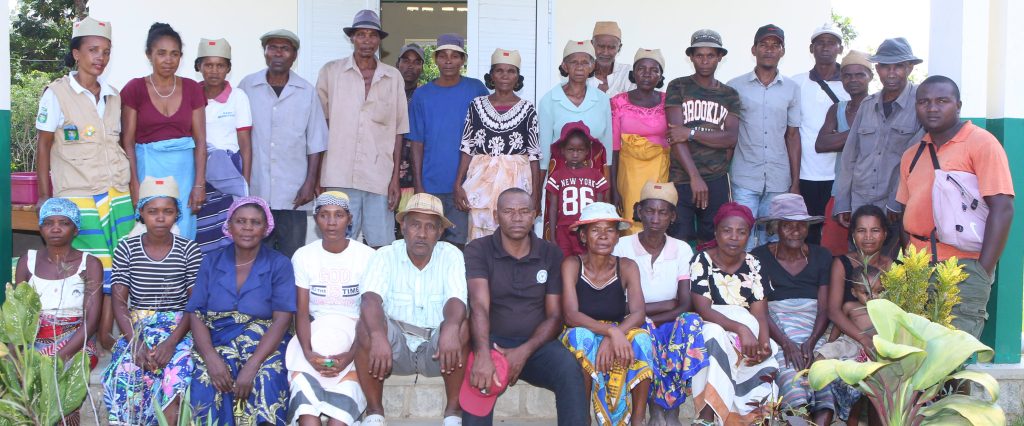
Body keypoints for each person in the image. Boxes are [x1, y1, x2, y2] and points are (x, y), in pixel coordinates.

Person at [34, 16, 133, 350]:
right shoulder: (57, 94)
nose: (100, 57)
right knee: (91, 267)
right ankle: (85, 334)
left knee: (117, 265)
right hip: (79, 193)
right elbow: (44, 145)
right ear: (76, 53)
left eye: (106, 51)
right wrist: (45, 197)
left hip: (116, 193)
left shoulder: (113, 95)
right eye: (93, 50)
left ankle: (105, 332)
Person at [891, 76, 1015, 338]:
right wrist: (912, 262)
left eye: (942, 101)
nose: (932, 108)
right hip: (919, 268)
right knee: (920, 350)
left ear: (958, 105)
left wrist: (982, 270)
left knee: (953, 351)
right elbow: (904, 213)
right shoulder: (912, 154)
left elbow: (1003, 208)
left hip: (963, 268)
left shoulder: (981, 143)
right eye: (924, 102)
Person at [461, 188, 587, 425]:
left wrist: (524, 351)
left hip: (536, 346)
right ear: (496, 216)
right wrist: (482, 354)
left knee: (569, 370)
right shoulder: (478, 249)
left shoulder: (550, 253)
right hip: (491, 343)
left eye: (524, 211)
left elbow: (555, 316)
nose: (517, 218)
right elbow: (479, 306)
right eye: (508, 211)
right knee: (478, 382)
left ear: (534, 215)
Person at [355, 193, 469, 426]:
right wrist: (377, 335)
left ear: (440, 232)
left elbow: (456, 300)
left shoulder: (451, 255)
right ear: (403, 227)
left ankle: (453, 412)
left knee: (462, 326)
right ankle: (374, 412)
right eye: (415, 225)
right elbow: (370, 299)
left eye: (430, 227)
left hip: (437, 352)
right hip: (394, 351)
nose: (422, 233)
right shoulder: (385, 255)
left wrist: (451, 328)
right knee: (366, 326)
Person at [186, 196, 296, 425]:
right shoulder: (211, 262)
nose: (247, 228)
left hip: (264, 344)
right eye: (241, 221)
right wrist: (210, 358)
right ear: (229, 225)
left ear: (266, 228)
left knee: (269, 376)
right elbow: (195, 313)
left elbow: (282, 320)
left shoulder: (279, 264)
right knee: (205, 379)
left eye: (255, 222)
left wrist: (253, 365)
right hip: (216, 340)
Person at [102, 177, 201, 425]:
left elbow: (194, 303)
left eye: (168, 211)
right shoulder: (126, 248)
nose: (160, 218)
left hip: (178, 329)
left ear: (177, 214)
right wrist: (135, 344)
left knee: (176, 378)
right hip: (137, 329)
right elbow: (119, 302)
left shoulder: (189, 249)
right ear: (141, 214)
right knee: (124, 375)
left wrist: (171, 343)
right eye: (152, 211)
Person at [612, 182, 707, 425]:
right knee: (645, 333)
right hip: (634, 321)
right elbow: (618, 305)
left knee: (691, 323)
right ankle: (656, 406)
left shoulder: (681, 249)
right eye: (650, 211)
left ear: (672, 216)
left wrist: (646, 313)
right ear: (639, 211)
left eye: (663, 212)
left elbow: (685, 304)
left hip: (669, 320)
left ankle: (672, 408)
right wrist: (664, 306)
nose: (655, 218)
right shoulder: (621, 247)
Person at [317, 10, 408, 249]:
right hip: (338, 174)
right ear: (352, 38)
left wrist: (395, 180)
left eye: (372, 35)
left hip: (378, 176)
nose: (367, 40)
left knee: (381, 245)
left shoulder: (393, 77)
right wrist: (317, 175)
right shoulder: (331, 72)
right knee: (338, 244)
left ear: (379, 40)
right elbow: (318, 127)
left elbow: (399, 131)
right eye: (361, 34)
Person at [560, 202, 654, 425]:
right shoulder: (572, 264)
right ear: (583, 236)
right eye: (595, 230)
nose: (603, 236)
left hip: (617, 330)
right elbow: (571, 315)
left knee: (641, 338)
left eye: (610, 230)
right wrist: (610, 332)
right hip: (582, 329)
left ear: (617, 236)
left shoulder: (627, 266)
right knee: (581, 337)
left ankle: (638, 420)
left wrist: (615, 334)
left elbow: (638, 313)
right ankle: (582, 418)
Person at [286, 191, 376, 425]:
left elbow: (370, 315)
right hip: (314, 341)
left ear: (349, 218)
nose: (332, 222)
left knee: (338, 420)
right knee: (308, 417)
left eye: (339, 215)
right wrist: (308, 354)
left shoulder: (367, 256)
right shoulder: (304, 256)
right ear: (316, 219)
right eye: (324, 215)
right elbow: (301, 313)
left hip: (356, 343)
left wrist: (350, 356)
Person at [239, 29, 327, 258]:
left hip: (293, 194)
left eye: (285, 48)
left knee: (292, 256)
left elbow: (316, 142)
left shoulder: (306, 91)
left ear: (294, 55)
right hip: (256, 189)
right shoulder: (247, 87)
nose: (278, 53)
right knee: (256, 256)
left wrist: (310, 183)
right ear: (264, 52)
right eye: (272, 48)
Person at [832, 37, 924, 258]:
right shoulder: (867, 105)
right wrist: (842, 202)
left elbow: (914, 160)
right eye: (885, 66)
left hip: (895, 206)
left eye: (898, 66)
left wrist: (896, 201)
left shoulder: (920, 104)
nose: (891, 73)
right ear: (878, 69)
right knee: (859, 266)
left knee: (889, 267)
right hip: (860, 201)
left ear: (909, 68)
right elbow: (849, 158)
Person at [15, 198, 103, 426]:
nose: (55, 228)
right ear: (40, 228)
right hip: (34, 339)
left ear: (76, 229)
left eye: (64, 223)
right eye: (48, 223)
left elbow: (91, 321)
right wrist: (18, 355)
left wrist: (61, 355)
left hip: (76, 342)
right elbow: (19, 315)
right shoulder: (27, 262)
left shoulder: (90, 264)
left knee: (62, 384)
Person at [689, 202, 779, 425]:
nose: (734, 237)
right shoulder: (702, 260)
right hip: (713, 326)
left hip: (746, 335)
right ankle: (707, 415)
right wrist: (741, 329)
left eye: (741, 232)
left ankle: (751, 417)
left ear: (749, 235)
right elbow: (703, 309)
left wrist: (763, 343)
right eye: (727, 230)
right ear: (716, 232)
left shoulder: (754, 263)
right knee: (714, 335)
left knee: (764, 361)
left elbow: (760, 313)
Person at [750, 194, 835, 425]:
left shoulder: (822, 256)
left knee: (823, 380)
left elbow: (824, 309)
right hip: (777, 330)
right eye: (787, 225)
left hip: (813, 328)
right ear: (775, 228)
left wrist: (811, 343)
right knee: (792, 378)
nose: (795, 231)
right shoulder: (758, 257)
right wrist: (787, 344)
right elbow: (760, 310)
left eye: (801, 225)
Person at [121, 22, 208, 240]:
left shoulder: (192, 89)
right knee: (147, 229)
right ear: (149, 55)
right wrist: (134, 183)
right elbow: (127, 141)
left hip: (184, 173)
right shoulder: (135, 89)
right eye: (161, 53)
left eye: (174, 54)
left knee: (182, 230)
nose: (168, 60)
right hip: (147, 169)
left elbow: (201, 141)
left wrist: (199, 184)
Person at [409, 33, 489, 247]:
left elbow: (487, 134)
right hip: (430, 184)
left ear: (463, 60)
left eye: (454, 56)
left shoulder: (476, 89)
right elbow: (416, 143)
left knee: (460, 245)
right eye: (443, 55)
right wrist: (418, 184)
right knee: (428, 244)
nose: (448, 61)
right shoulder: (422, 95)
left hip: (467, 185)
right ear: (435, 59)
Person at [727, 24, 802, 250]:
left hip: (779, 179)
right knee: (742, 237)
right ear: (754, 49)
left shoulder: (792, 88)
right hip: (745, 178)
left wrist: (795, 182)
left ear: (782, 51)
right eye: (764, 44)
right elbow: (729, 134)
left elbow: (792, 136)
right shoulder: (735, 87)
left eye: (775, 45)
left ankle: (769, 275)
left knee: (775, 240)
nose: (769, 49)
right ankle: (745, 274)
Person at [454, 48, 542, 240]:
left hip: (516, 179)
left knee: (515, 228)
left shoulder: (528, 109)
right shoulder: (476, 105)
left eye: (511, 71)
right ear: (492, 75)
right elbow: (467, 147)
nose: (505, 76)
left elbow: (534, 156)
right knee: (480, 231)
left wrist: (536, 195)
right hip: (481, 179)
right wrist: (458, 184)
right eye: (499, 70)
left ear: (518, 77)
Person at [665, 29, 741, 247]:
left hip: (717, 178)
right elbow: (675, 136)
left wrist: (690, 133)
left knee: (713, 240)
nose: (705, 61)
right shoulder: (678, 86)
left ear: (720, 57)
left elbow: (730, 138)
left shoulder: (730, 94)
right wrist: (695, 177)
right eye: (699, 55)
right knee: (679, 241)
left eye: (710, 55)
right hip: (682, 177)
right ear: (691, 57)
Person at [791, 24, 850, 245]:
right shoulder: (796, 83)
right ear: (811, 48)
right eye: (820, 42)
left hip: (838, 176)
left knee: (838, 236)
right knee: (806, 234)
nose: (826, 47)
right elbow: (791, 131)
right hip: (805, 174)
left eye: (832, 43)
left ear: (840, 48)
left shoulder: (851, 84)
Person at [194, 37, 252, 254]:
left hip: (228, 175)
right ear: (199, 66)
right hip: (199, 173)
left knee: (226, 231)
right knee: (201, 230)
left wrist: (245, 185)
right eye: (208, 65)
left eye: (220, 65)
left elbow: (245, 144)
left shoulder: (238, 97)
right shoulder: (190, 94)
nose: (214, 71)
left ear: (228, 68)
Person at [816, 51, 874, 256]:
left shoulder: (879, 107)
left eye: (860, 75)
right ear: (841, 79)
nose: (853, 80)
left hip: (872, 192)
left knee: (869, 254)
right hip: (840, 192)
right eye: (847, 75)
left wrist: (839, 139)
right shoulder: (837, 109)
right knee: (833, 253)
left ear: (870, 76)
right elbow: (821, 144)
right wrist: (861, 133)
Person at [611, 49, 668, 235]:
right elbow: (614, 149)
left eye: (654, 70)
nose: (647, 74)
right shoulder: (618, 102)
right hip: (629, 174)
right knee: (632, 222)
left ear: (661, 76)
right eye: (641, 68)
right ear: (633, 73)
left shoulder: (668, 101)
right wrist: (614, 188)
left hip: (660, 172)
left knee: (657, 220)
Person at [538, 40, 613, 174]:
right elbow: (544, 150)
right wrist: (541, 185)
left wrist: (607, 183)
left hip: (594, 176)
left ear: (592, 66)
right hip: (560, 177)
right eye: (573, 62)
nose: (579, 67)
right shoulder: (549, 100)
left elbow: (607, 146)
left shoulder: (602, 100)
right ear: (565, 66)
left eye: (585, 62)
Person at [545, 122, 611, 256]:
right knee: (564, 262)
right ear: (562, 150)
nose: (575, 154)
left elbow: (600, 206)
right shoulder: (557, 175)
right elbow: (553, 208)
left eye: (580, 150)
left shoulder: (596, 175)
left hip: (587, 228)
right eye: (571, 149)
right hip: (564, 230)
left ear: (587, 151)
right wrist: (552, 236)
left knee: (587, 260)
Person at [396, 43, 426, 215]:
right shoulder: (387, 92)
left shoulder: (425, 96)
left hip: (415, 174)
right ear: (397, 63)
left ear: (422, 67)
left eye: (416, 62)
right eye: (406, 60)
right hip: (385, 173)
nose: (410, 66)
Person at [589, 21, 634, 96]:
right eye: (600, 46)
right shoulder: (580, 73)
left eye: (611, 47)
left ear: (619, 48)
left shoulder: (628, 73)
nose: (605, 52)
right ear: (592, 45)